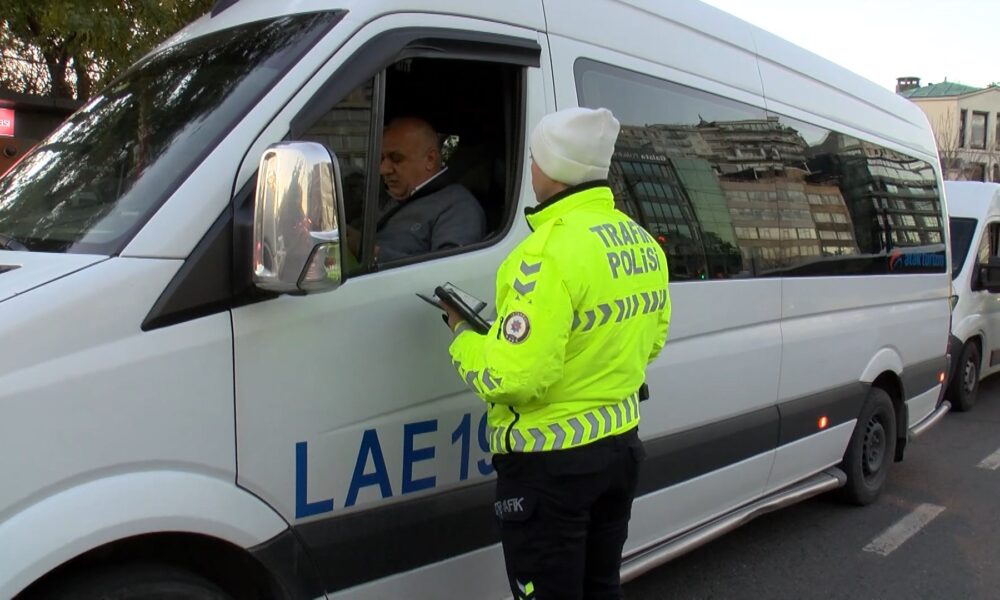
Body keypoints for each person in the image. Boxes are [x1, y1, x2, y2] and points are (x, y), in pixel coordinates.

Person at [441, 107, 671, 600]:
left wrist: (462, 335)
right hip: (621, 449)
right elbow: (652, 341)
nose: (530, 168)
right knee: (601, 587)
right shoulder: (642, 242)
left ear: (553, 167)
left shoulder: (543, 254)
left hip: (552, 467)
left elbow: (513, 378)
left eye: (533, 158)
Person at [348, 116, 486, 263]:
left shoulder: (458, 206)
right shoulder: (394, 196)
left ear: (430, 160)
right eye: (382, 159)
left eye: (396, 158)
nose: (383, 169)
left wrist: (370, 253)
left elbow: (449, 271)